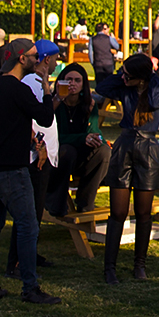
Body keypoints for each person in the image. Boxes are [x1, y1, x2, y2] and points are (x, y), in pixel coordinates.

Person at [0, 37, 60, 304]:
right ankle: (30, 287)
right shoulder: (18, 88)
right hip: (11, 170)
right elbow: (45, 117)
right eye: (34, 56)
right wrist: (46, 88)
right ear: (21, 58)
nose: (38, 60)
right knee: (28, 226)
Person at [98, 53, 159, 284]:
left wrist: (151, 78)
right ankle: (110, 267)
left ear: (141, 77)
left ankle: (140, 264)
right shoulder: (124, 87)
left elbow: (156, 102)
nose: (123, 77)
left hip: (148, 148)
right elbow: (102, 87)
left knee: (143, 212)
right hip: (125, 145)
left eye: (128, 75)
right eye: (123, 74)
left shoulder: (157, 89)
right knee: (118, 212)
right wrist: (123, 76)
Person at [46, 62, 109, 216]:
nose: (73, 84)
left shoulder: (88, 104)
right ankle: (55, 204)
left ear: (83, 84)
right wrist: (82, 138)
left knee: (104, 151)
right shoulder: (55, 104)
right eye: (69, 80)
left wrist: (95, 138)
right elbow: (55, 137)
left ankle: (85, 203)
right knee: (68, 151)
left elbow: (94, 132)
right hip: (58, 158)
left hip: (82, 158)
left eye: (77, 80)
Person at [90, 21, 121, 93]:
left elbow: (90, 53)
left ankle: (100, 95)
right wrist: (113, 38)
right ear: (103, 29)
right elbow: (116, 46)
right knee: (109, 81)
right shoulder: (108, 38)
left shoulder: (92, 39)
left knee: (99, 82)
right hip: (108, 62)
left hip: (98, 62)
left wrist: (93, 62)